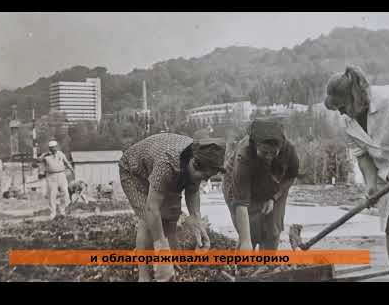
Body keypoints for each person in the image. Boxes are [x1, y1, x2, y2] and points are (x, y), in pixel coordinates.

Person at [324, 65, 389, 282]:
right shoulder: (349, 120)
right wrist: (370, 183)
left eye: (342, 106)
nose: (341, 112)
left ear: (355, 96)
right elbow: (362, 155)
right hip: (385, 179)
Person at [119, 133, 226, 282]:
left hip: (159, 166)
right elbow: (152, 208)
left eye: (207, 177)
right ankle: (143, 275)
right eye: (203, 176)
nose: (204, 181)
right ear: (194, 163)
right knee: (147, 221)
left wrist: (197, 221)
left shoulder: (199, 158)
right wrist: (161, 249)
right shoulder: (167, 164)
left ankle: (174, 261)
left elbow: (193, 190)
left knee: (170, 215)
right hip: (134, 170)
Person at [223, 119, 299, 252]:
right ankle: (245, 260)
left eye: (273, 153)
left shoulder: (289, 150)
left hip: (274, 185)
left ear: (280, 147)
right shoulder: (244, 155)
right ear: (255, 145)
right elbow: (241, 202)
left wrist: (273, 197)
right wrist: (246, 241)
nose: (269, 157)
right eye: (264, 152)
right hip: (239, 183)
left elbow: (290, 176)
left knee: (273, 230)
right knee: (249, 232)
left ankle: (267, 265)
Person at [40, 140, 74, 219]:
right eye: (51, 148)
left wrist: (72, 170)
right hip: (51, 176)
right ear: (49, 148)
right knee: (52, 194)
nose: (53, 149)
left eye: (55, 147)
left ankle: (62, 210)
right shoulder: (46, 156)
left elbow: (67, 162)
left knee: (65, 193)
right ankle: (53, 213)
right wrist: (43, 155)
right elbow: (37, 161)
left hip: (61, 174)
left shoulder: (61, 154)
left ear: (57, 147)